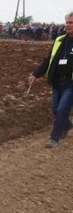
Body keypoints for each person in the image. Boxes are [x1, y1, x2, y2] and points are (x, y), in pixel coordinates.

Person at [28, 11, 73, 148]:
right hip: (57, 81)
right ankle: (67, 124)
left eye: (71, 23)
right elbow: (49, 60)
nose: (68, 25)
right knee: (55, 109)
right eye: (67, 22)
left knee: (61, 110)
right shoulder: (60, 40)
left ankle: (54, 138)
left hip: (71, 84)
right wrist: (35, 74)